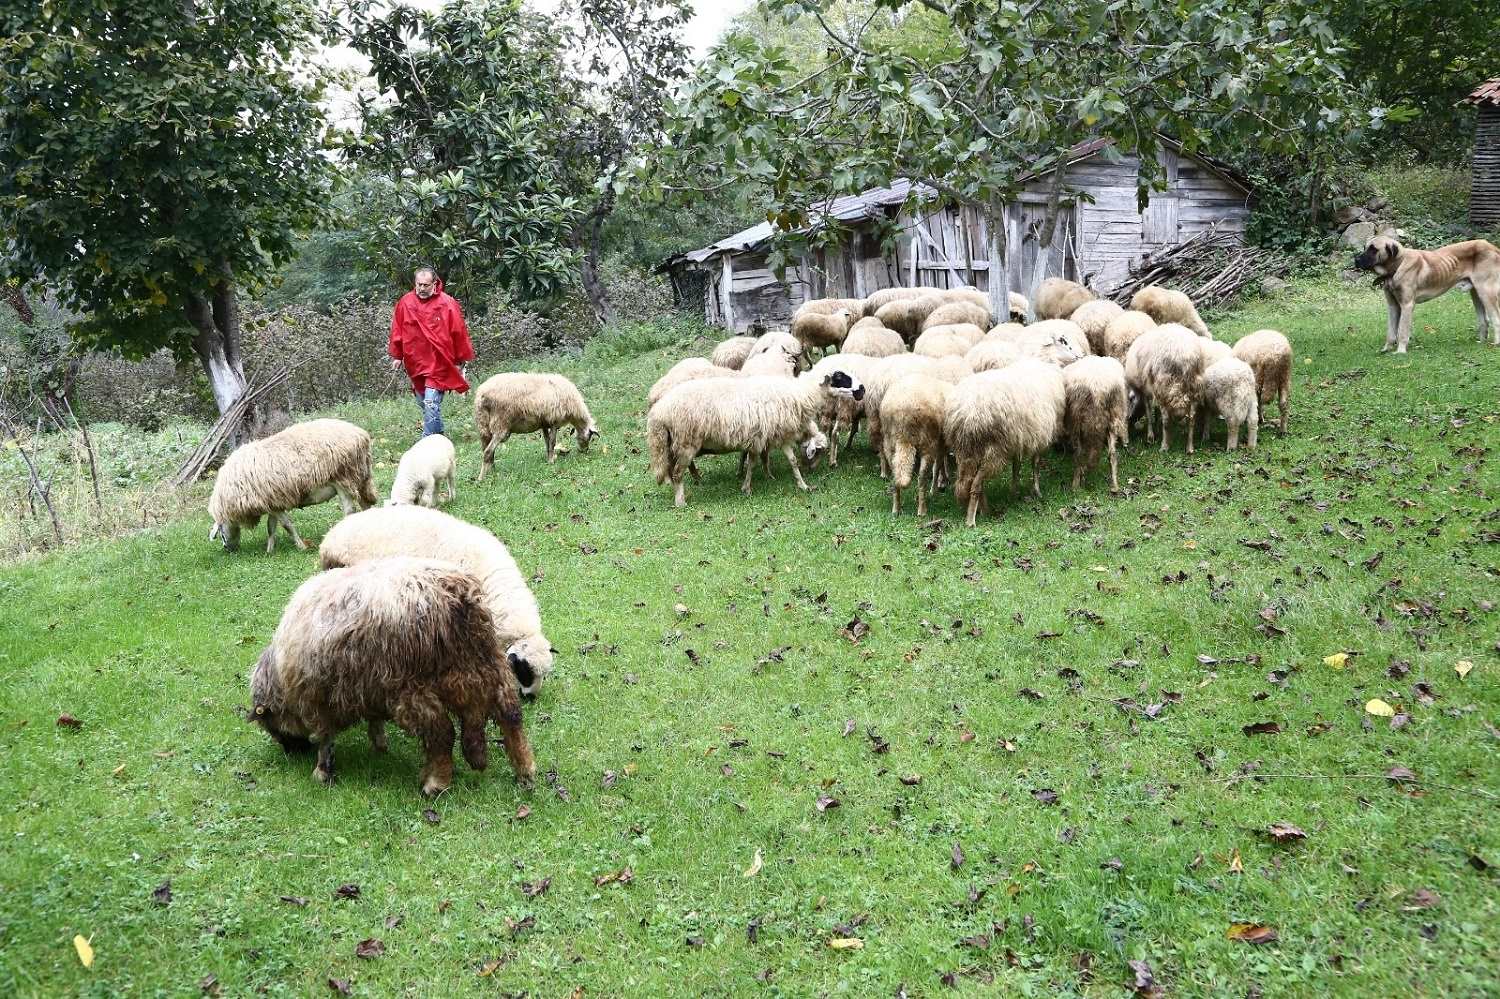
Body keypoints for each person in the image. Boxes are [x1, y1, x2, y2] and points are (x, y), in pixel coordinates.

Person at [389, 266, 474, 437]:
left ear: (434, 284)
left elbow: (459, 332)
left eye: (425, 285)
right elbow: (397, 329)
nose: (421, 288)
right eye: (418, 284)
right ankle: (439, 433)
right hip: (415, 362)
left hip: (439, 362)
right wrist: (398, 355)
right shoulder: (405, 302)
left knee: (430, 402)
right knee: (423, 401)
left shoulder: (447, 303)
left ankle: (428, 441)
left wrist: (459, 361)